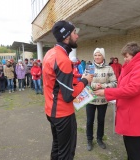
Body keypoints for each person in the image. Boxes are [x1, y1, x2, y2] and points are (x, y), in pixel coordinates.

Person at [94, 42, 140, 160]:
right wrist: (106, 89)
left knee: (135, 150)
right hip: (129, 114)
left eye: (127, 56)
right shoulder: (131, 67)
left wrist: (107, 92)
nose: (125, 59)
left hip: (137, 116)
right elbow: (122, 87)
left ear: (135, 55)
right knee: (130, 147)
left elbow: (132, 89)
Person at [42, 20, 93, 160]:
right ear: (66, 36)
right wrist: (85, 81)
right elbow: (68, 96)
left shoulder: (50, 53)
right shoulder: (62, 59)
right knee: (66, 153)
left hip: (50, 110)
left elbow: (55, 83)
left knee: (57, 147)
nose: (77, 36)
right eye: (74, 33)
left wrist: (75, 79)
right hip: (62, 114)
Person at [86, 48, 117, 151]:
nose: (97, 57)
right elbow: (85, 81)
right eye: (95, 55)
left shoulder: (109, 68)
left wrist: (103, 86)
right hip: (90, 99)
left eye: (99, 55)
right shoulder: (90, 67)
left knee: (101, 120)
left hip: (103, 100)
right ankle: (89, 139)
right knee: (90, 121)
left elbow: (115, 83)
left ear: (103, 56)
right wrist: (95, 85)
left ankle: (100, 139)